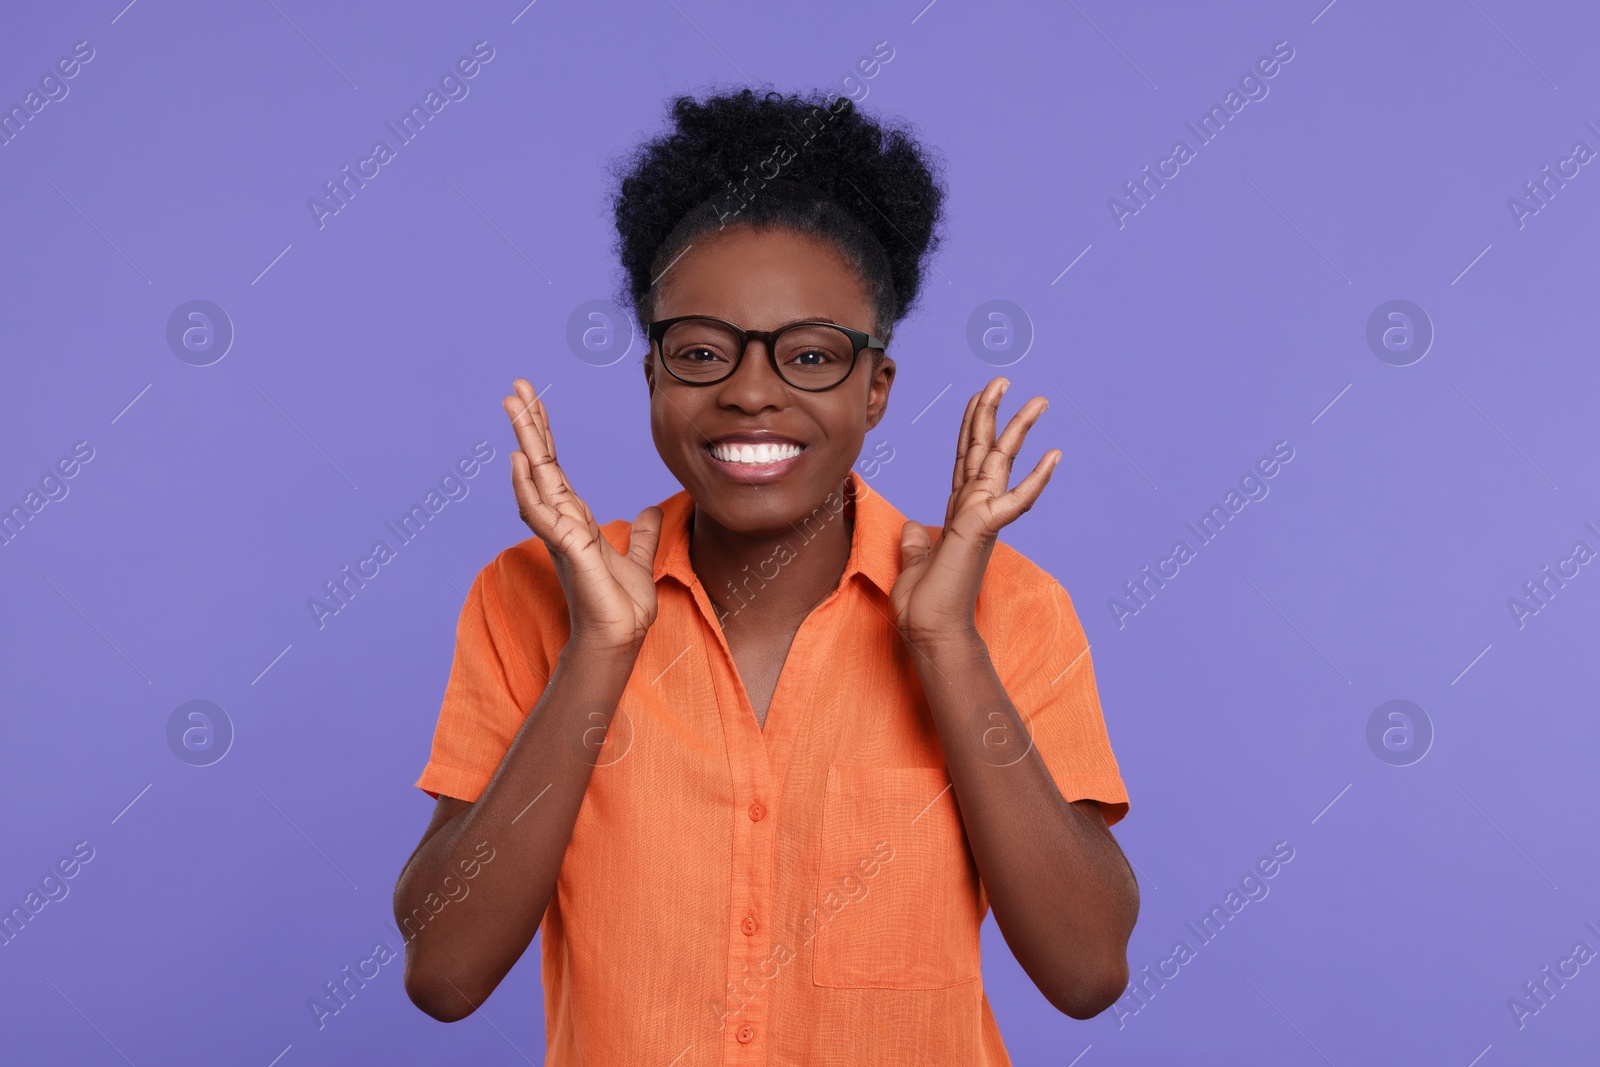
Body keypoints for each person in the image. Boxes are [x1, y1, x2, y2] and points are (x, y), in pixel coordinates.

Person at [394, 86, 1138, 1064]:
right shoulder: (529, 594)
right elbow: (443, 971)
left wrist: (946, 647)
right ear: (652, 376)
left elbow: (1085, 970)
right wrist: (597, 652)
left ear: (876, 390)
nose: (750, 392)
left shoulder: (1012, 608)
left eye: (810, 356)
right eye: (700, 351)